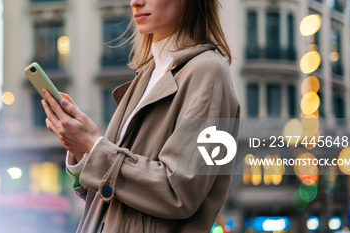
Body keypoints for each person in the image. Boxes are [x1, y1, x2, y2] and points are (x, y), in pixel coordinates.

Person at [40, 0, 240, 232]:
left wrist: (94, 146)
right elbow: (111, 198)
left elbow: (181, 193)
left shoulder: (210, 72)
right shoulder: (148, 74)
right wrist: (82, 150)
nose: (135, 2)